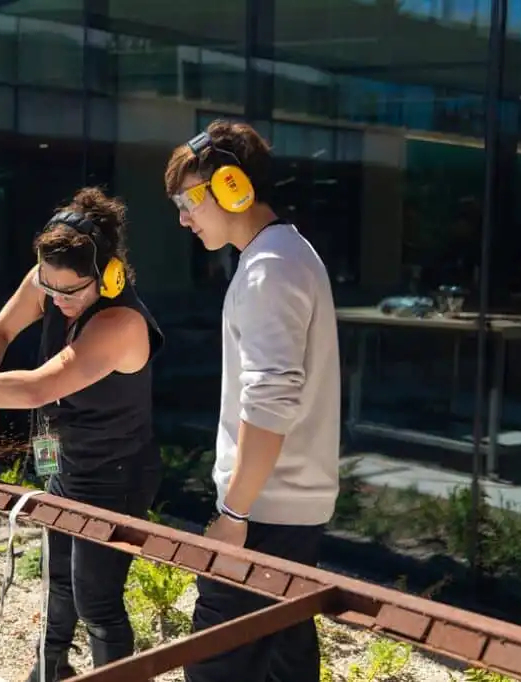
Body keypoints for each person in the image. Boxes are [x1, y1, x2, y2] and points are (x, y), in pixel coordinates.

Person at [0, 187, 165, 681]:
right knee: (58, 586)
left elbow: (38, 386)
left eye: (70, 292)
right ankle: (48, 673)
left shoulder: (120, 323)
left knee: (97, 601)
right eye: (49, 288)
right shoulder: (52, 280)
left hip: (115, 476)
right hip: (63, 461)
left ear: (108, 274)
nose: (56, 300)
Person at [163, 119, 340, 682]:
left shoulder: (270, 269)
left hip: (263, 513)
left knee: (215, 665)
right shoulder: (282, 256)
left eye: (188, 201)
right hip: (283, 508)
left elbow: (269, 403)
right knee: (283, 663)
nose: (183, 218)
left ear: (233, 186)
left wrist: (232, 515)